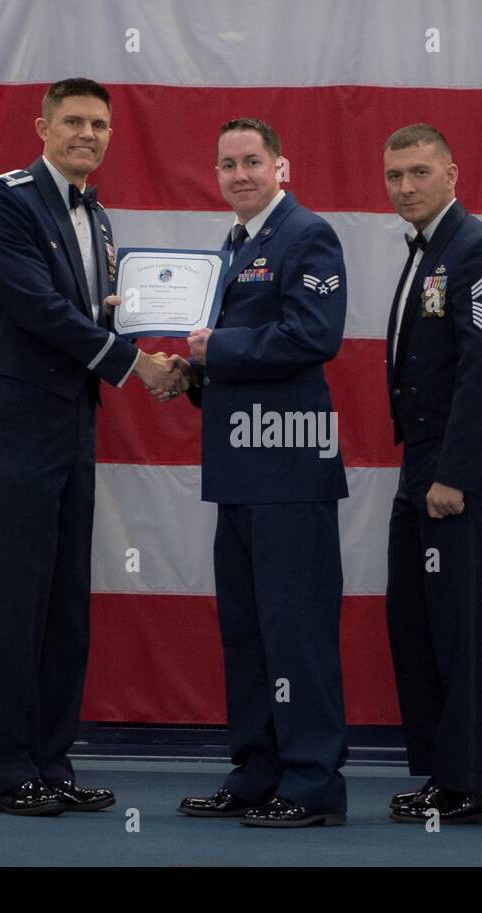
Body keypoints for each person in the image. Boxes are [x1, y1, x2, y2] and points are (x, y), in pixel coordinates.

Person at [0, 78, 183, 816]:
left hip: (77, 421)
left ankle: (52, 764)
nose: (88, 134)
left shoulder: (102, 218)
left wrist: (138, 331)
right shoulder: (5, 200)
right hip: (25, 415)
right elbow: (34, 307)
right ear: (42, 126)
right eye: (75, 122)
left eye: (100, 124)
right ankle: (10, 773)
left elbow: (83, 315)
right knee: (21, 598)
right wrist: (130, 363)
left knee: (65, 604)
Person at [170, 118, 349, 827]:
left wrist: (219, 347)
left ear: (282, 166)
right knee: (247, 634)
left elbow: (315, 335)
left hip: (290, 467)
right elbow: (237, 355)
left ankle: (311, 785)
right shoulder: (236, 245)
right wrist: (192, 370)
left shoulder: (308, 235)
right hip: (241, 469)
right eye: (227, 164)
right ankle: (257, 770)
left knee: (296, 633)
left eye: (252, 161)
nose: (239, 174)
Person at [378, 124, 482, 825]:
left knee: (456, 625)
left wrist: (454, 474)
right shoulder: (427, 249)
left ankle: (473, 784)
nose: (405, 186)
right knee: (416, 621)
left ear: (452, 173)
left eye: (418, 172)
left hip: (458, 466)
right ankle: (443, 772)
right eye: (395, 175)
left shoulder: (479, 250)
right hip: (422, 463)